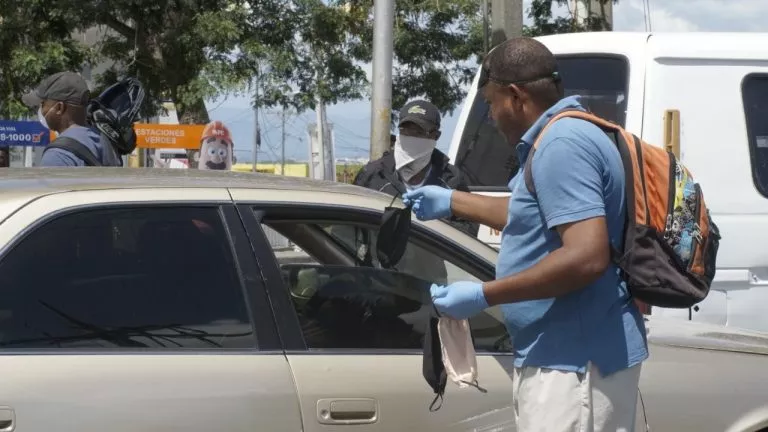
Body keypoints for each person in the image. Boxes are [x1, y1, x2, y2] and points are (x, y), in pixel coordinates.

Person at [403, 37, 648, 432]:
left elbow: (586, 256)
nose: (492, 114)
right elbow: (533, 213)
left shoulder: (562, 144)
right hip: (564, 358)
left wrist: (484, 295)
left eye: (491, 102)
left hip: (574, 365)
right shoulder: (565, 135)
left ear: (515, 96)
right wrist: (452, 201)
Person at [354, 100, 478, 237]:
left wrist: (435, 225)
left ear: (436, 136)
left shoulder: (451, 179)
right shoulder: (373, 174)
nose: (411, 138)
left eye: (419, 132)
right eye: (405, 131)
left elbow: (469, 228)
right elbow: (349, 226)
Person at [22, 72, 122, 167]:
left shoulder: (58, 155)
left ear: (59, 108)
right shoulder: (102, 139)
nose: (40, 110)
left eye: (43, 104)